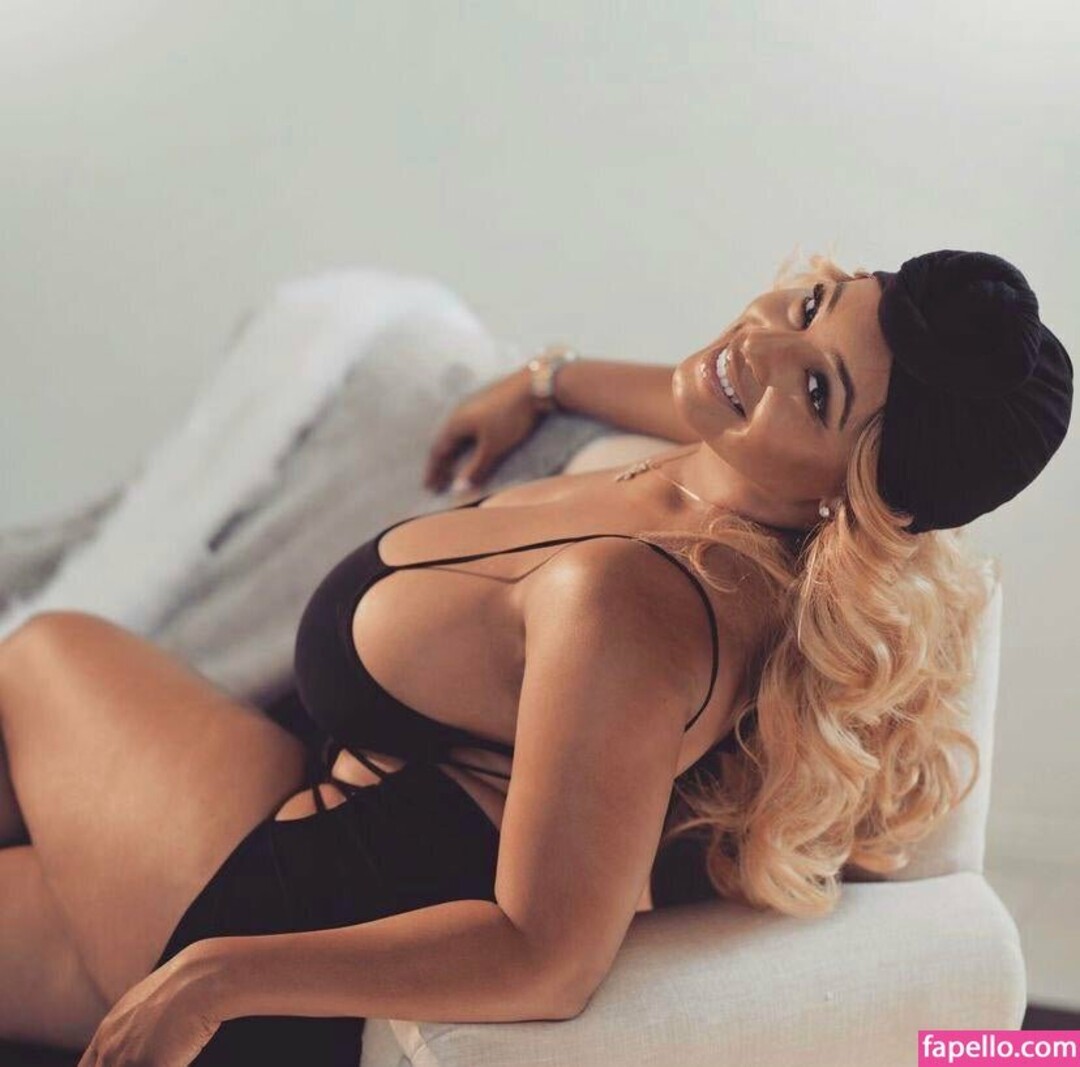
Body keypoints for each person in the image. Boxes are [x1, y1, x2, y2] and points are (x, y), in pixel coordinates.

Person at [0, 250, 1070, 1066]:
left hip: (280, 922)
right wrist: (547, 380)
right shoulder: (737, 465)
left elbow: (549, 955)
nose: (760, 349)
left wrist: (214, 980)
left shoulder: (632, 608)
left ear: (859, 491)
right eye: (808, 305)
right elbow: (703, 388)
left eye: (822, 389)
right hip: (302, 834)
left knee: (45, 647)